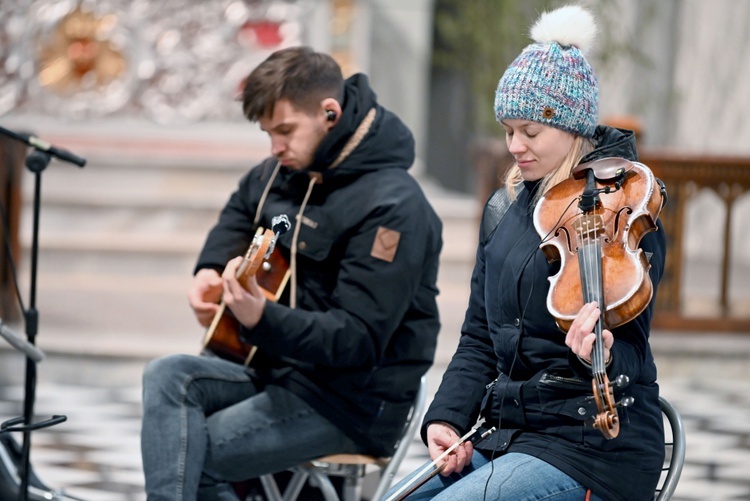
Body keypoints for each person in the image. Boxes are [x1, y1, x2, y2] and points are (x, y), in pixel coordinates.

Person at [387, 5, 666, 501]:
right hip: (508, 434)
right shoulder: (505, 209)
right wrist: (448, 417)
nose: (515, 145)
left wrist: (599, 354)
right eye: (508, 130)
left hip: (592, 447)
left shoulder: (624, 207)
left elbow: (633, 352)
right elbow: (478, 336)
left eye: (530, 132)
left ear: (573, 127)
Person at [140, 46, 443, 500]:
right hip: (273, 367)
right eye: (267, 134)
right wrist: (208, 269)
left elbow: (356, 338)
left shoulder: (393, 207)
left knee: (192, 455)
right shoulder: (284, 169)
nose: (275, 148)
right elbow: (242, 209)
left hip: (346, 401)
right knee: (166, 376)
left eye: (284, 131)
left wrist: (261, 319)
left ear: (329, 113)